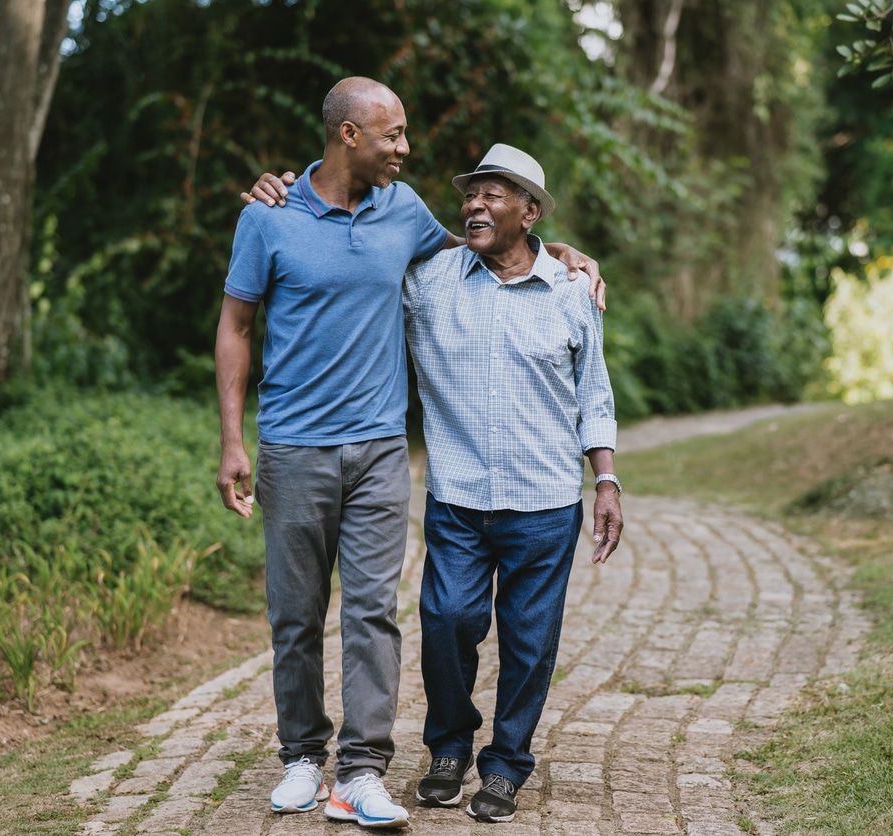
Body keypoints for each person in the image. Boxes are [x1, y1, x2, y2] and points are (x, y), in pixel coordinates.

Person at [217, 77, 603, 830]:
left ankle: (360, 772)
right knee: (294, 616)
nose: (404, 147)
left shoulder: (404, 212)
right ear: (347, 136)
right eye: (391, 134)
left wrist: (557, 247)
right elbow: (235, 326)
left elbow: (484, 250)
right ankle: (302, 755)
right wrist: (233, 439)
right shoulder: (267, 219)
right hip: (293, 448)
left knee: (373, 614)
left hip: (381, 451)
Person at [403, 144, 623, 823]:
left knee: (529, 644)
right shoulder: (432, 279)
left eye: (493, 195)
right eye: (471, 195)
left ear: (527, 213)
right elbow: (351, 235)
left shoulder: (569, 292)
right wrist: (288, 192)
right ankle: (448, 747)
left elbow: (594, 394)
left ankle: (505, 767)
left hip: (546, 502)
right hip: (459, 499)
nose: (474, 204)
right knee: (446, 623)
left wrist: (607, 479)